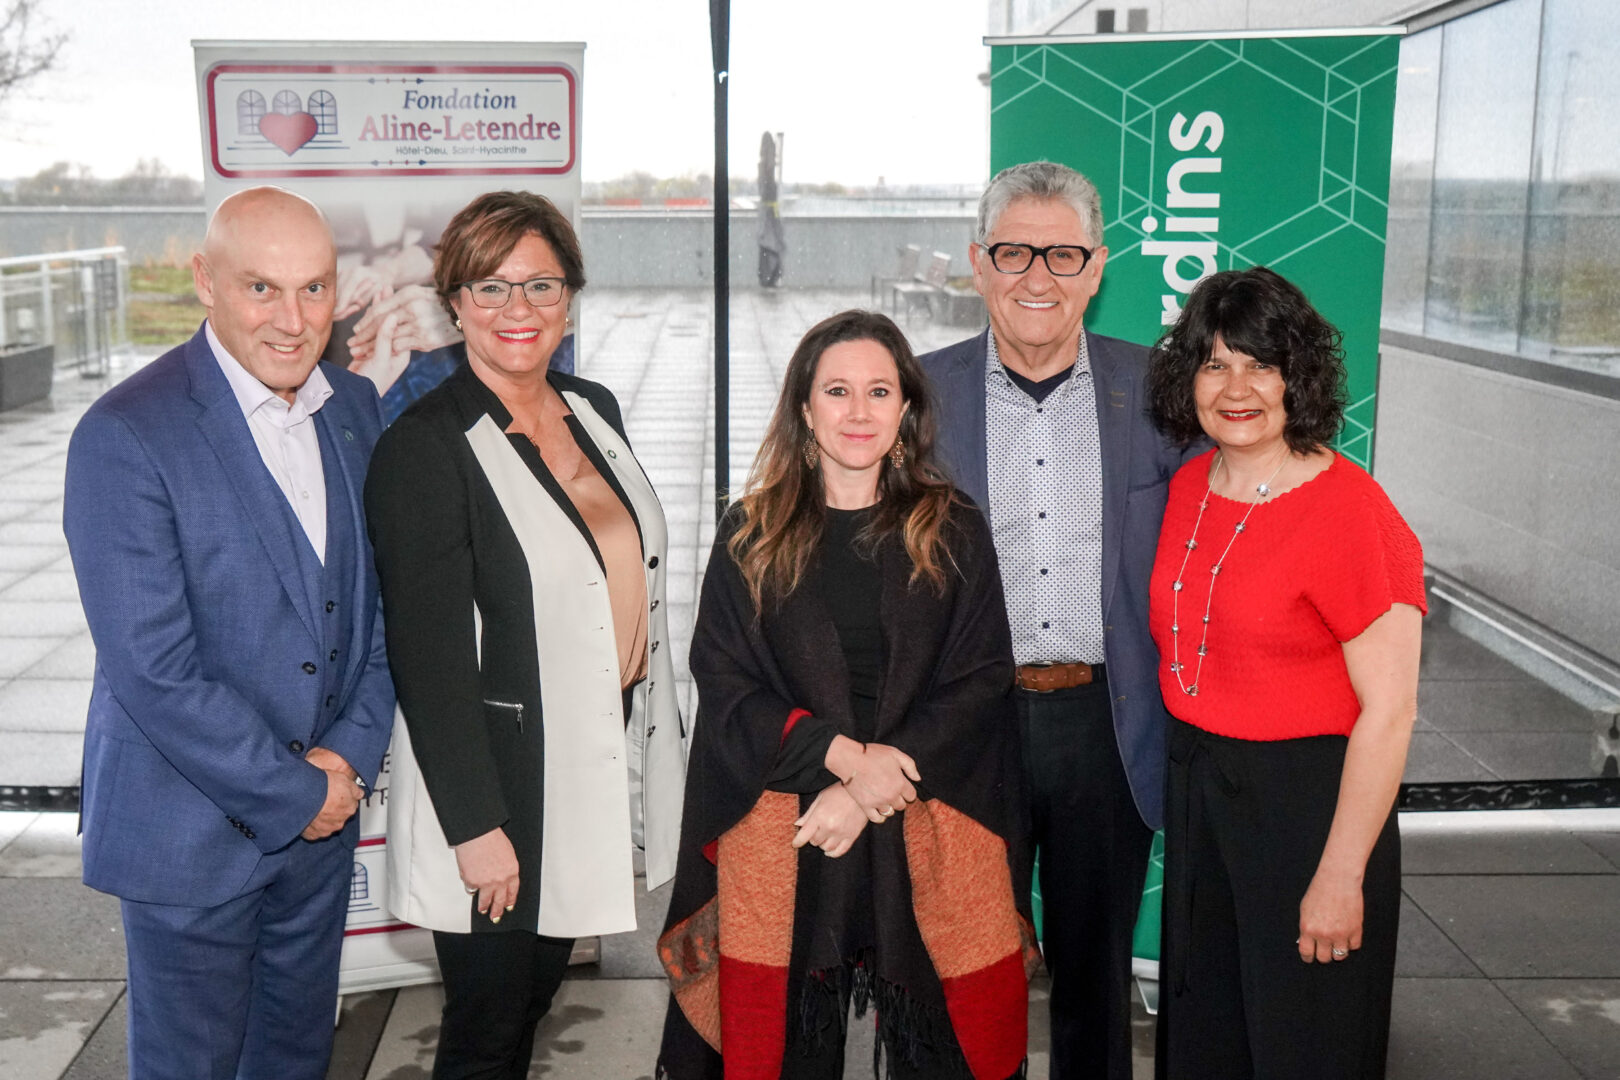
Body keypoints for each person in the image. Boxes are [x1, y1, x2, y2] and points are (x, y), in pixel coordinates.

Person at [63, 186, 396, 1079]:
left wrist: (351, 758)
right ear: (205, 282)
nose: (293, 321)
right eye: (263, 289)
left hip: (319, 835)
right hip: (189, 841)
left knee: (293, 1061)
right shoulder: (125, 433)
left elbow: (377, 612)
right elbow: (153, 669)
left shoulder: (358, 408)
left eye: (316, 290)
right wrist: (297, 791)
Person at [656, 310, 1037, 1080]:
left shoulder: (954, 528)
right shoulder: (750, 533)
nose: (858, 412)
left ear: (906, 410)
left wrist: (864, 791)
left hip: (925, 815)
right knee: (792, 1047)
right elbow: (725, 683)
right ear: (804, 408)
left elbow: (980, 678)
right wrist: (838, 760)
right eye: (837, 391)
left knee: (943, 1049)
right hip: (790, 828)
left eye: (878, 391)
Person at [364, 189, 685, 1079]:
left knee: (536, 997)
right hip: (501, 789)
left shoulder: (594, 409)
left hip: (588, 759)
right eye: (492, 287)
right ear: (455, 300)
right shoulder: (424, 449)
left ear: (571, 298)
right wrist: (477, 827)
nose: (519, 311)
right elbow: (427, 659)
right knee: (486, 1031)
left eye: (541, 286)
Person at [918, 160, 1189, 1079]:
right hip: (966, 729)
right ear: (979, 263)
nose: (1039, 275)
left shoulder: (1160, 393)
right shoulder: (916, 398)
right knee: (961, 970)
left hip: (1106, 725)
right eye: (1015, 252)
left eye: (1064, 253)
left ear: (1098, 266)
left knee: (1094, 982)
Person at [1145, 266, 1424, 1079]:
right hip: (1201, 789)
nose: (1237, 388)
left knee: (1305, 1043)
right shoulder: (1192, 483)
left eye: (1260, 364)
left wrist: (1340, 875)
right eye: (1214, 363)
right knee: (1208, 1035)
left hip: (1309, 810)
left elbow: (1391, 713)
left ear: (1296, 377)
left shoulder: (1351, 511)